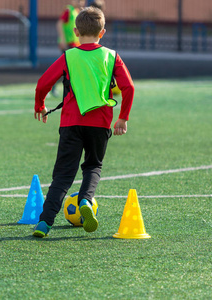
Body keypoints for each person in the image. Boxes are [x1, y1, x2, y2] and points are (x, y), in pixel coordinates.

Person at [32, 6, 135, 237]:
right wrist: (123, 118)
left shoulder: (69, 56)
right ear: (103, 32)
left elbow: (42, 83)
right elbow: (128, 87)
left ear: (76, 32)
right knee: (93, 166)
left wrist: (40, 105)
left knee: (63, 176)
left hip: (71, 123)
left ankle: (44, 223)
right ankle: (86, 201)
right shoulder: (112, 56)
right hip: (100, 123)